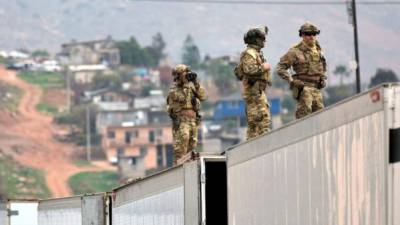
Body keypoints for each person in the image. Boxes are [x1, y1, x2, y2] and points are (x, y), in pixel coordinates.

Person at [276, 22, 327, 119]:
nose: (311, 36)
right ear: (302, 35)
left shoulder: (318, 51)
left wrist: (323, 78)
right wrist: (291, 81)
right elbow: (280, 68)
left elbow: (323, 66)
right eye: (308, 34)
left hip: (317, 89)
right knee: (304, 115)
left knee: (320, 117)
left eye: (314, 34)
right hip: (304, 88)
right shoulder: (295, 51)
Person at [235, 26, 271, 140]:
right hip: (253, 93)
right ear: (255, 40)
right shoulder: (250, 53)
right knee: (260, 122)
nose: (264, 41)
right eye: (261, 38)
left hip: (257, 92)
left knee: (256, 124)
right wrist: (264, 67)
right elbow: (249, 70)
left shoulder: (256, 53)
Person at [166, 64, 206, 164]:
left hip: (193, 121)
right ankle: (178, 170)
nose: (187, 76)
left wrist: (195, 82)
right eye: (184, 74)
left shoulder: (191, 88)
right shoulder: (174, 90)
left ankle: (189, 169)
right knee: (181, 147)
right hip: (182, 121)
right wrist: (185, 85)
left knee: (192, 146)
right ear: (178, 76)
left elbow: (203, 96)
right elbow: (182, 99)